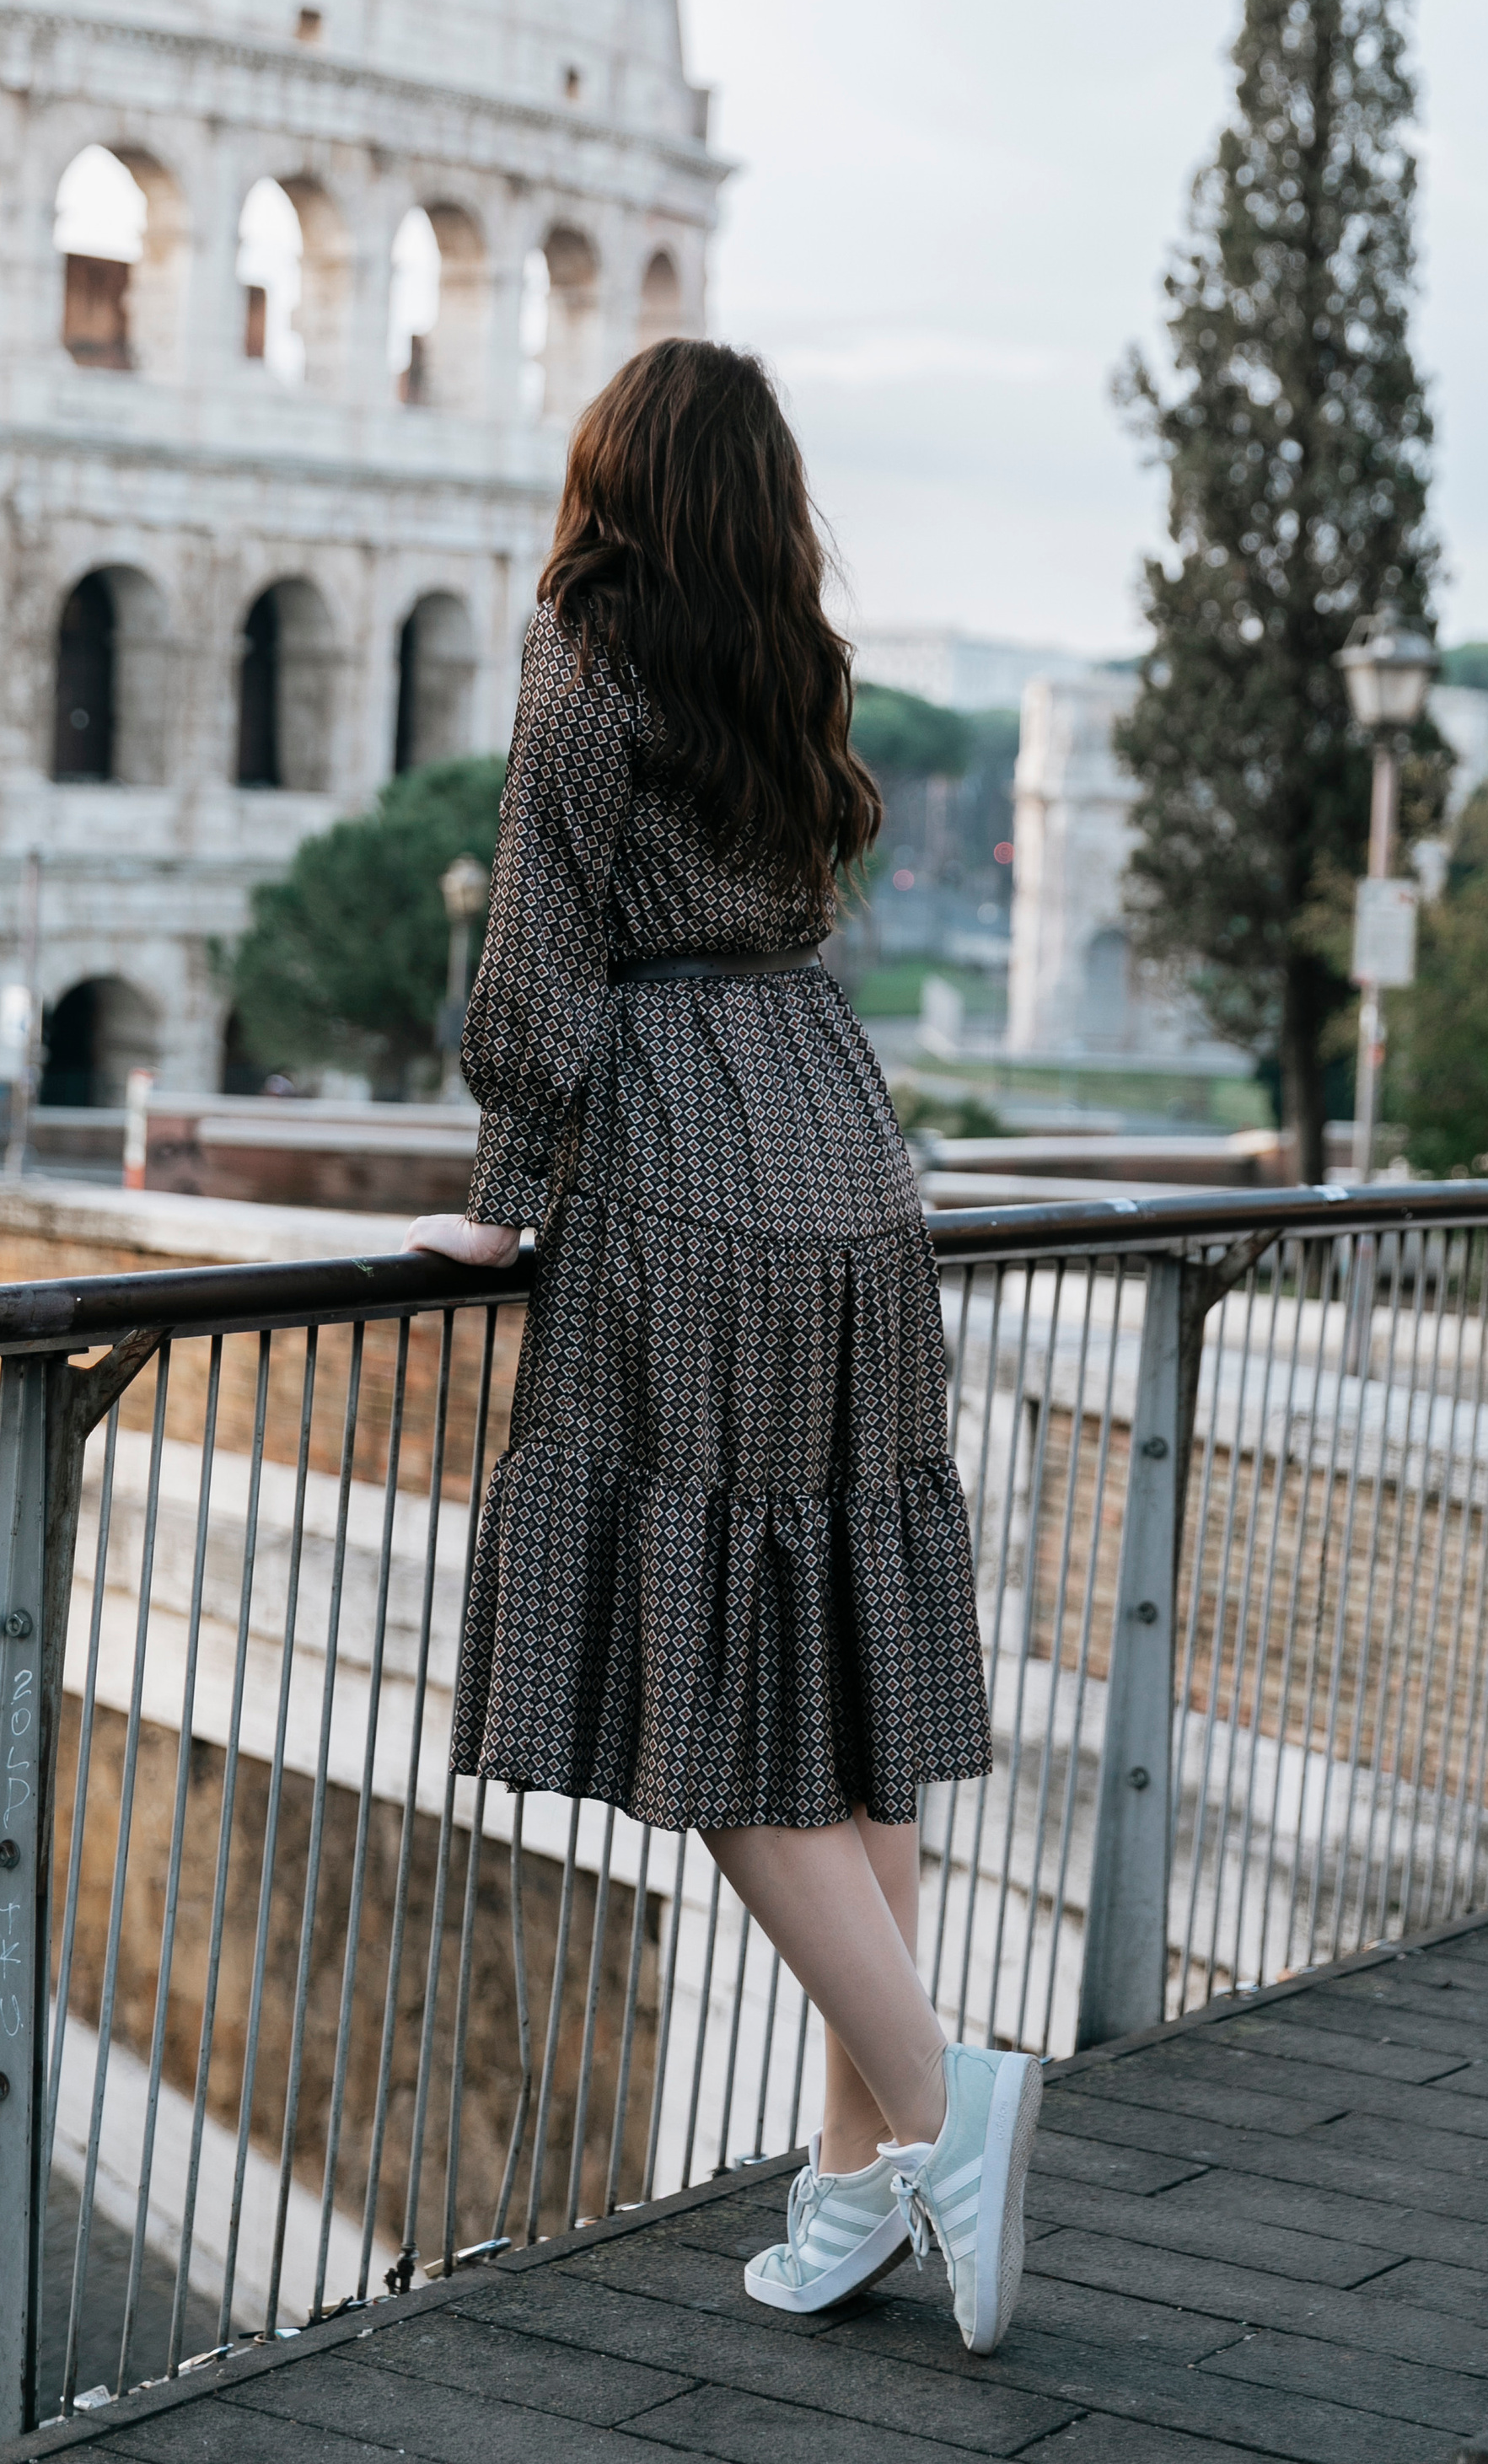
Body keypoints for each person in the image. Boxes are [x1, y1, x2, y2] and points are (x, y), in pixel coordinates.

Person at [405, 337, 1038, 2354]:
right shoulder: (794, 660)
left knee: (710, 1694)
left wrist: (503, 1191)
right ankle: (856, 2191)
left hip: (680, 1167)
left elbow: (538, 946)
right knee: (841, 1666)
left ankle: (941, 2107)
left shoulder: (585, 654)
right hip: (847, 1160)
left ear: (613, 474)